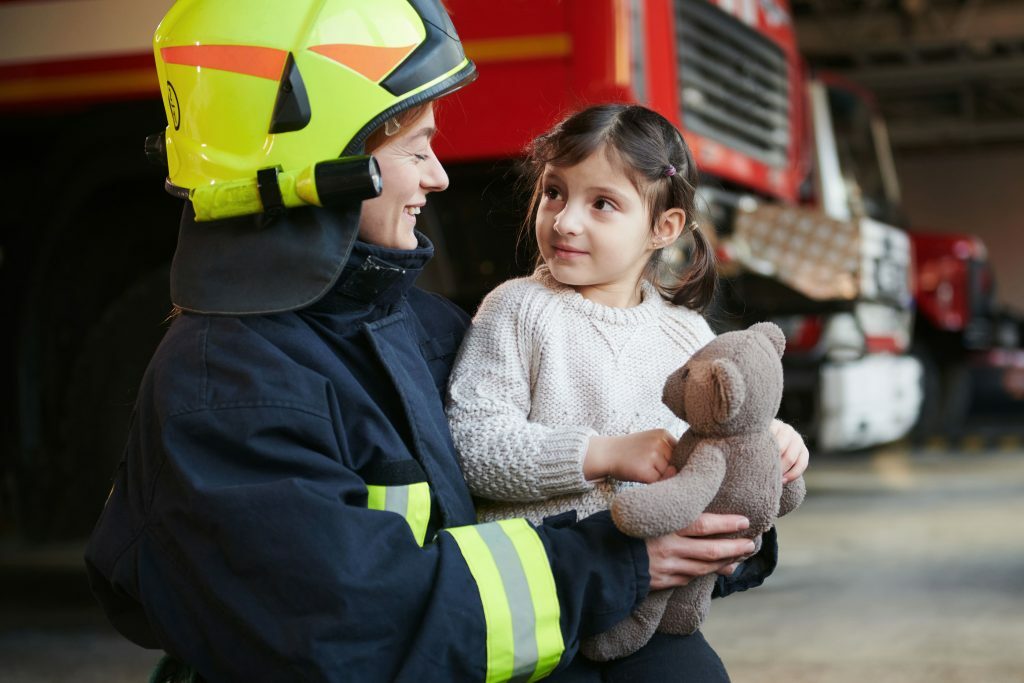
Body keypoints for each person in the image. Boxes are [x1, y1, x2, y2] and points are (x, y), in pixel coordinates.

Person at [85, 2, 781, 681]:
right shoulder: (224, 392)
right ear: (325, 158)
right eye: (416, 148)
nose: (438, 175)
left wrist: (729, 514)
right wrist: (618, 562)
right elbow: (357, 622)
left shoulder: (423, 328)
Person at [446, 104, 810, 676]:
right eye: (554, 194)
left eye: (602, 204)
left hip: (650, 607)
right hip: (543, 604)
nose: (565, 221)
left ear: (663, 227)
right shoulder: (515, 310)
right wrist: (604, 454)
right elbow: (473, 446)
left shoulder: (686, 332)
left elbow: (714, 437)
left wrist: (771, 440)